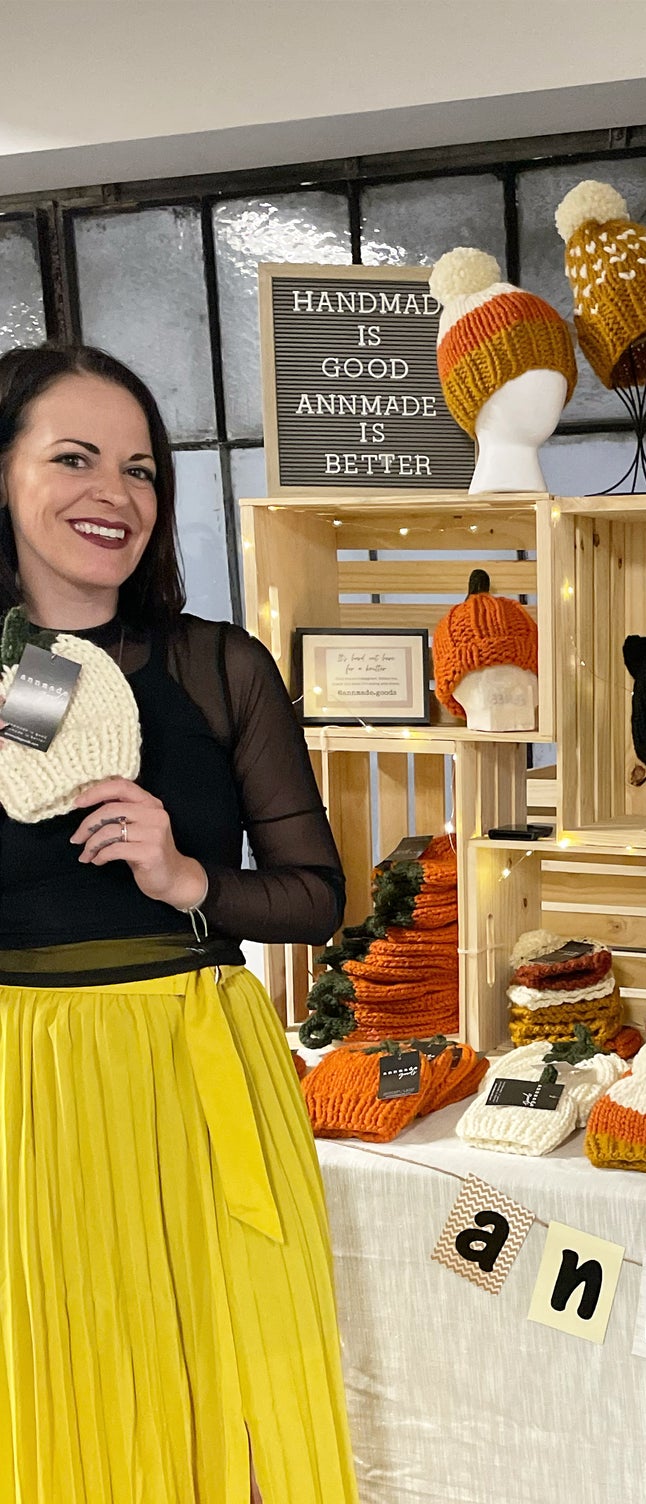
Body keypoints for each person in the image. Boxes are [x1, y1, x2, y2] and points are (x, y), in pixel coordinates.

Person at [0, 343, 357, 1504]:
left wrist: (189, 877)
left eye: (141, 468)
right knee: (57, 1400)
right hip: (25, 1091)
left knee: (237, 1399)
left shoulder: (219, 666)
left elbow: (317, 895)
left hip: (195, 1071)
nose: (116, 493)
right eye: (74, 458)